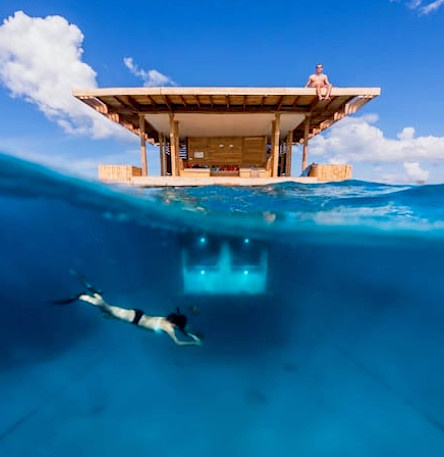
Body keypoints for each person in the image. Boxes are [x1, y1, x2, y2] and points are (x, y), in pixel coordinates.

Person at [53, 271, 203, 347]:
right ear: (176, 324)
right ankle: (84, 296)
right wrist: (193, 343)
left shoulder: (168, 321)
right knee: (107, 308)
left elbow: (181, 328)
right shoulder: (169, 328)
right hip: (134, 318)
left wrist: (191, 336)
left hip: (136, 316)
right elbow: (178, 343)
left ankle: (96, 293)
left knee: (107, 311)